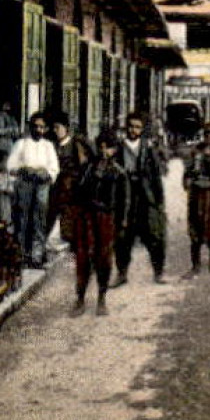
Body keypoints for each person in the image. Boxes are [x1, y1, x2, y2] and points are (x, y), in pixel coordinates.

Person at [73, 133, 128, 315]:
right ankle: (80, 299)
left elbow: (124, 202)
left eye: (108, 147)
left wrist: (122, 223)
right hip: (87, 216)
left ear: (115, 150)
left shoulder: (119, 173)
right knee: (83, 258)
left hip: (106, 218)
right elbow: (78, 191)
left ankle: (101, 299)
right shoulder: (88, 168)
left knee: (103, 259)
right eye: (101, 147)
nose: (104, 151)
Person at [112, 110, 168, 286]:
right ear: (126, 127)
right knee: (123, 237)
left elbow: (156, 176)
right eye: (131, 126)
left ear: (142, 129)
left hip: (145, 196)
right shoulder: (119, 149)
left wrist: (159, 201)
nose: (133, 130)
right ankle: (122, 273)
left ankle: (158, 272)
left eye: (137, 127)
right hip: (125, 197)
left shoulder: (148, 149)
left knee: (154, 235)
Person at [4, 111, 58, 268]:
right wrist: (25, 169)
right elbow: (10, 166)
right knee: (22, 219)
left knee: (39, 220)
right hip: (25, 184)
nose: (38, 130)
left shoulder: (48, 146)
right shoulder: (21, 144)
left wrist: (45, 174)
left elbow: (54, 168)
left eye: (42, 127)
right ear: (30, 127)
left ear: (46, 129)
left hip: (41, 185)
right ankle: (21, 255)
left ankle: (37, 256)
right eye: (35, 127)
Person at [48, 111, 96, 255]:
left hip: (71, 187)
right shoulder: (52, 145)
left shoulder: (76, 144)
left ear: (66, 128)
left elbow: (85, 165)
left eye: (58, 128)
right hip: (55, 186)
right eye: (53, 128)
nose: (55, 131)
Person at [182, 122, 210, 276]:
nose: (209, 139)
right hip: (196, 195)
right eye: (207, 136)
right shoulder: (195, 151)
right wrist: (188, 180)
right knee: (195, 229)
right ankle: (195, 266)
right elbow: (187, 170)